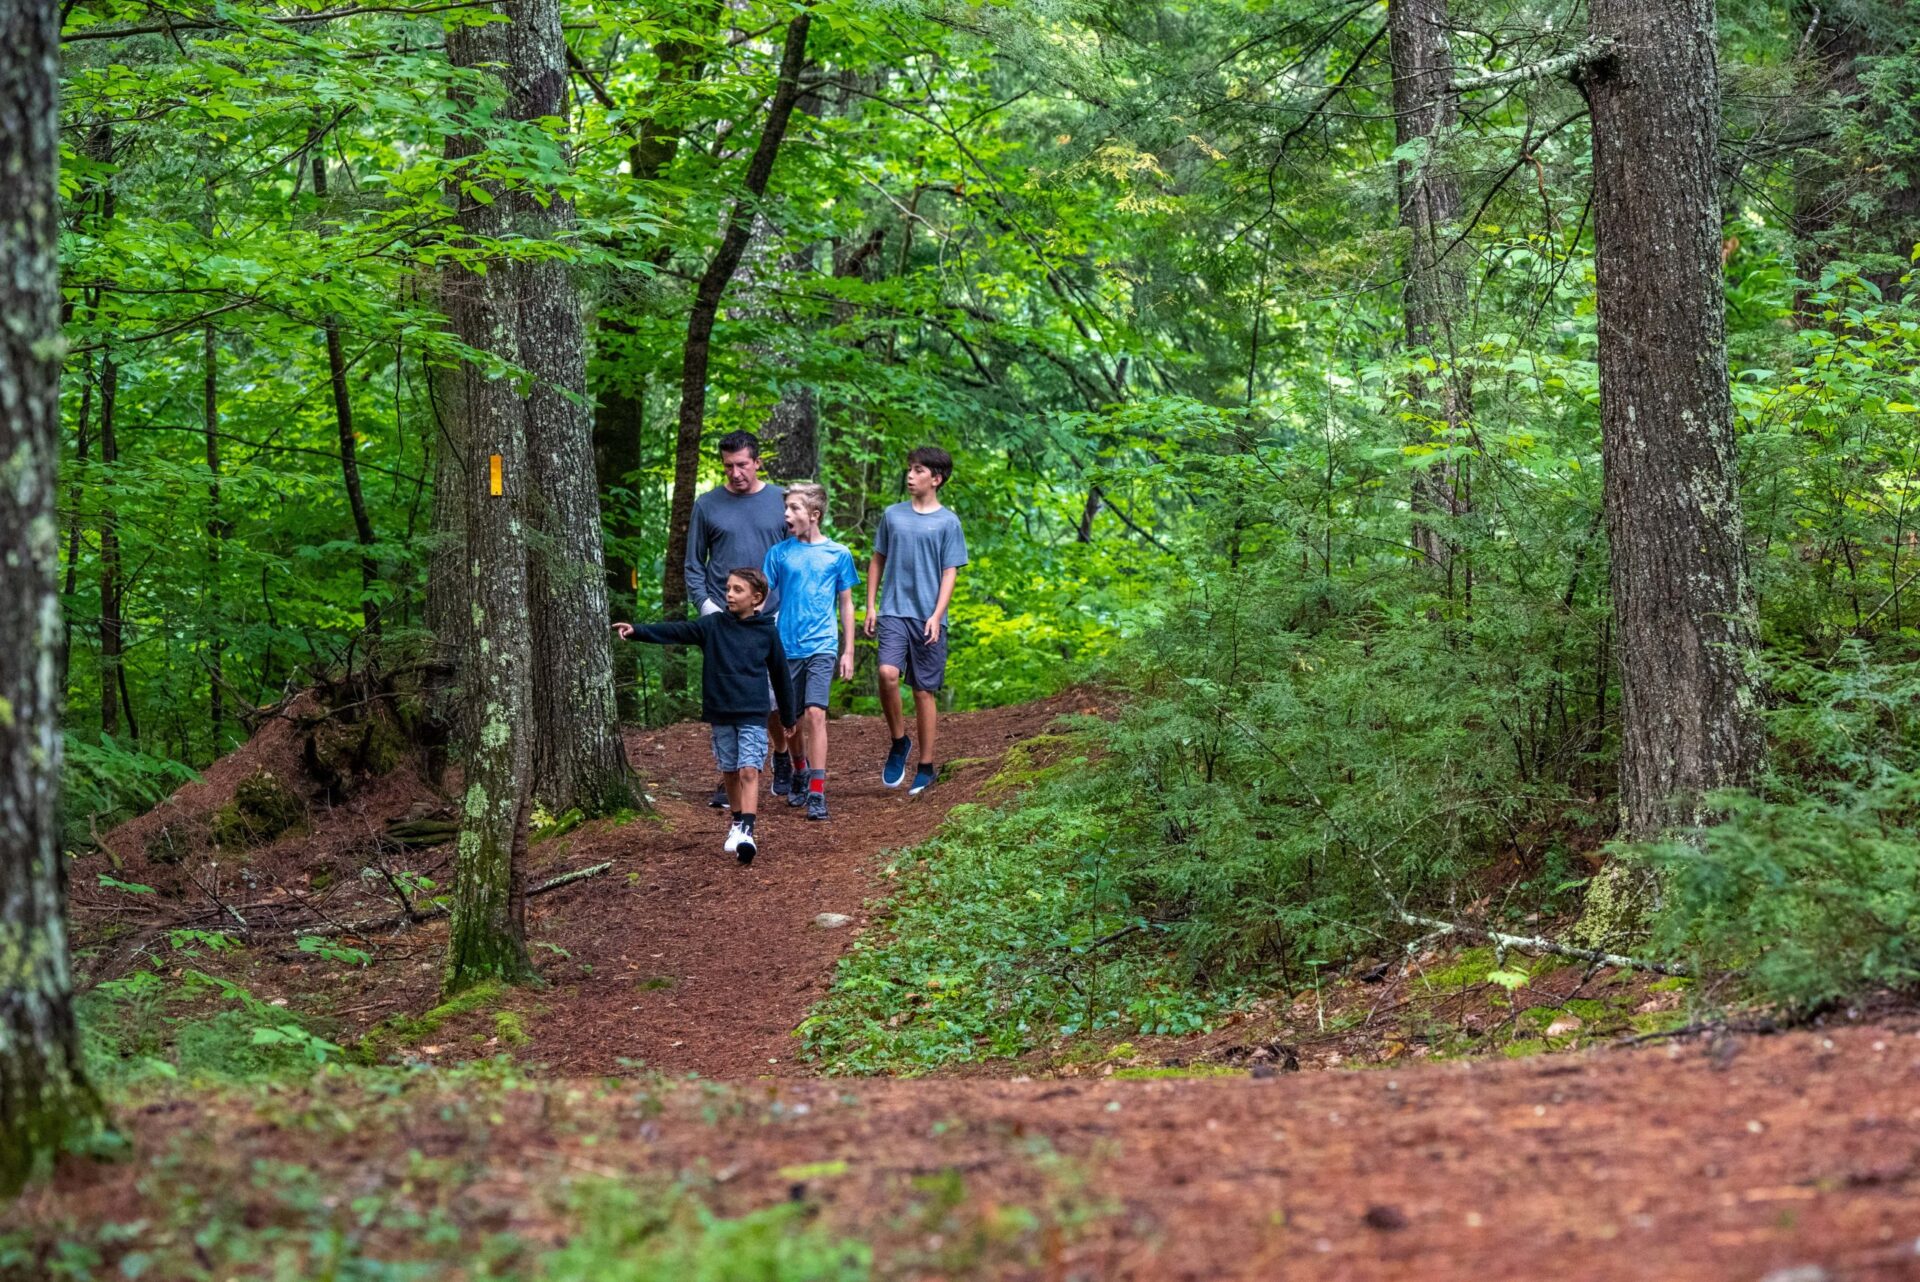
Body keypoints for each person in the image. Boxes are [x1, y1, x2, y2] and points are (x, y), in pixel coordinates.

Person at [615, 568, 796, 865]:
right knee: (730, 770)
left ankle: (747, 832)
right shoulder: (713, 626)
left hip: (753, 712)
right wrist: (638, 630)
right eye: (728, 588)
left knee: (749, 769)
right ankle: (737, 821)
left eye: (738, 590)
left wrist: (788, 717)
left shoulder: (767, 632)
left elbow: (780, 676)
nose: (729, 594)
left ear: (757, 598)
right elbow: (676, 630)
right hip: (721, 710)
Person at [684, 430, 791, 809]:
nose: (735, 473)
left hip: (770, 614)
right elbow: (694, 563)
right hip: (723, 616)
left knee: (771, 697)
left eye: (743, 464)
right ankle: (730, 775)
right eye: (728, 466)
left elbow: (795, 555)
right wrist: (705, 605)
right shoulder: (708, 505)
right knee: (732, 694)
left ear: (757, 462)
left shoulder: (781, 501)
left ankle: (780, 752)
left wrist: (788, 604)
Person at [864, 445, 968, 797]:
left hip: (928, 616)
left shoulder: (948, 522)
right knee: (887, 674)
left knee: (923, 690)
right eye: (909, 468)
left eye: (918, 470)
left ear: (936, 479)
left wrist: (937, 615)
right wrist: (870, 605)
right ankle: (898, 741)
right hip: (893, 610)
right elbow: (877, 560)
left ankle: (926, 766)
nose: (910, 475)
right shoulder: (892, 515)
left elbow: (949, 572)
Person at [762, 483, 859, 821]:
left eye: (794, 509)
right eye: (786, 508)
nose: (787, 515)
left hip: (822, 645)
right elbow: (761, 595)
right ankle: (799, 768)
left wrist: (848, 650)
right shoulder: (779, 553)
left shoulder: (838, 554)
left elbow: (846, 604)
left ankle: (817, 791)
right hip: (785, 646)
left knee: (816, 714)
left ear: (814, 515)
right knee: (790, 720)